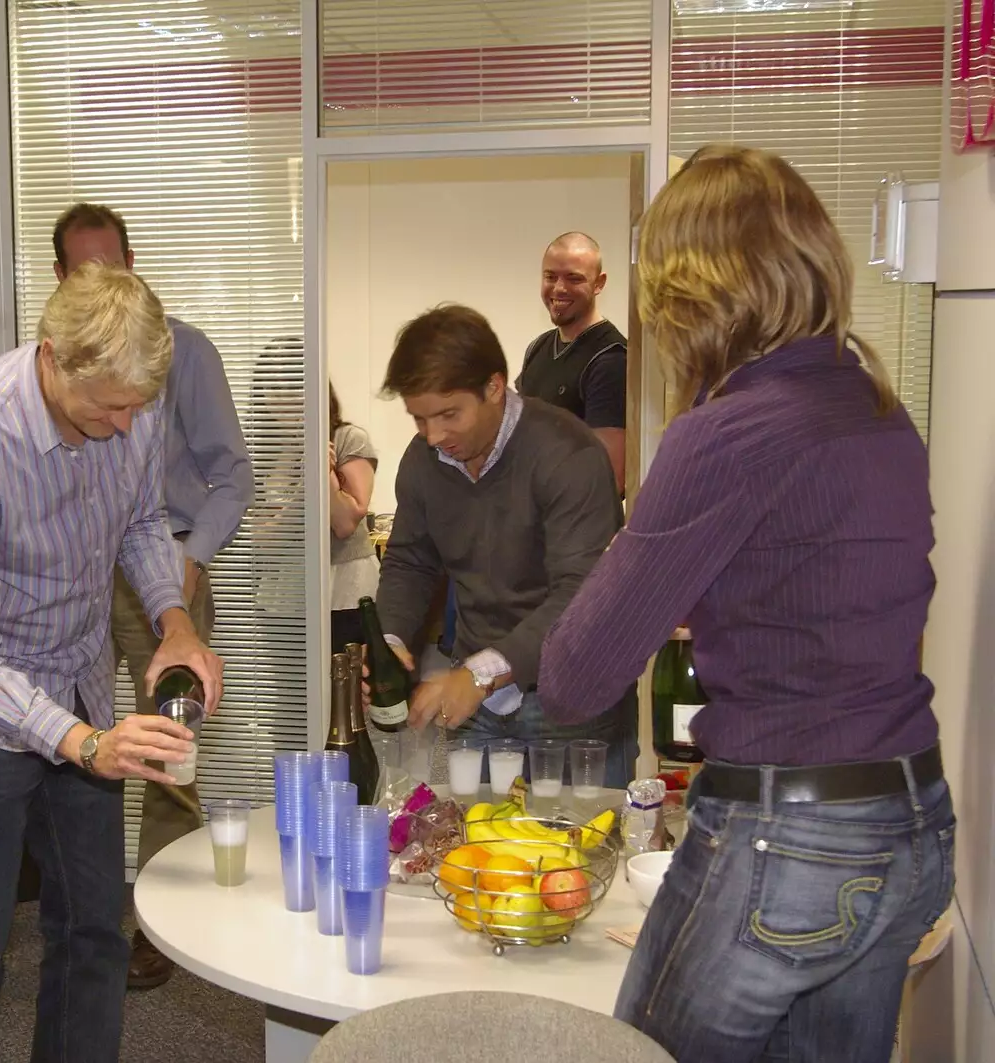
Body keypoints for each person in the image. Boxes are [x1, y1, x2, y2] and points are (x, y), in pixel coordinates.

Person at [539, 145, 953, 1063]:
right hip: (911, 817)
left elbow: (574, 677)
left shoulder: (724, 432)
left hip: (788, 835)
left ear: (690, 292)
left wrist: (630, 559)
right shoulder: (880, 408)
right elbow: (832, 598)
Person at [0, 261, 225, 1063]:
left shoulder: (131, 404)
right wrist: (85, 743)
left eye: (136, 407)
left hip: (80, 688)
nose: (126, 426)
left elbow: (144, 523)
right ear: (52, 357)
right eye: (109, 407)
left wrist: (175, 622)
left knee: (92, 929)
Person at [49, 202, 254, 989]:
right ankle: (87, 906)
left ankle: (157, 923)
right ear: (64, 278)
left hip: (159, 572)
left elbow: (232, 472)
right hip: (73, 571)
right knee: (76, 737)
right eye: (89, 270)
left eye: (118, 265)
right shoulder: (51, 368)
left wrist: (190, 560)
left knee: (167, 753)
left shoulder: (187, 354)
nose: (108, 282)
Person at [373, 304, 634, 788]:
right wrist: (390, 640)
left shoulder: (568, 454)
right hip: (480, 706)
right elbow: (411, 560)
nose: (433, 436)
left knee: (580, 848)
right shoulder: (425, 460)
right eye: (419, 419)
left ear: (495, 387)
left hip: (570, 701)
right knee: (476, 849)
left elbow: (582, 592)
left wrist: (481, 673)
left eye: (449, 415)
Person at [517, 231, 627, 488]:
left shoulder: (611, 359)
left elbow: (612, 476)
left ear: (599, 283)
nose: (559, 288)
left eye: (573, 278)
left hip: (576, 522)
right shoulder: (538, 348)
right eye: (550, 276)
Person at [328, 382, 378, 649]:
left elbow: (345, 523)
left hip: (346, 587)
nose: (281, 397)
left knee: (349, 684)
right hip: (284, 593)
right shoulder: (265, 449)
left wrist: (325, 475)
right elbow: (263, 536)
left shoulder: (347, 438)